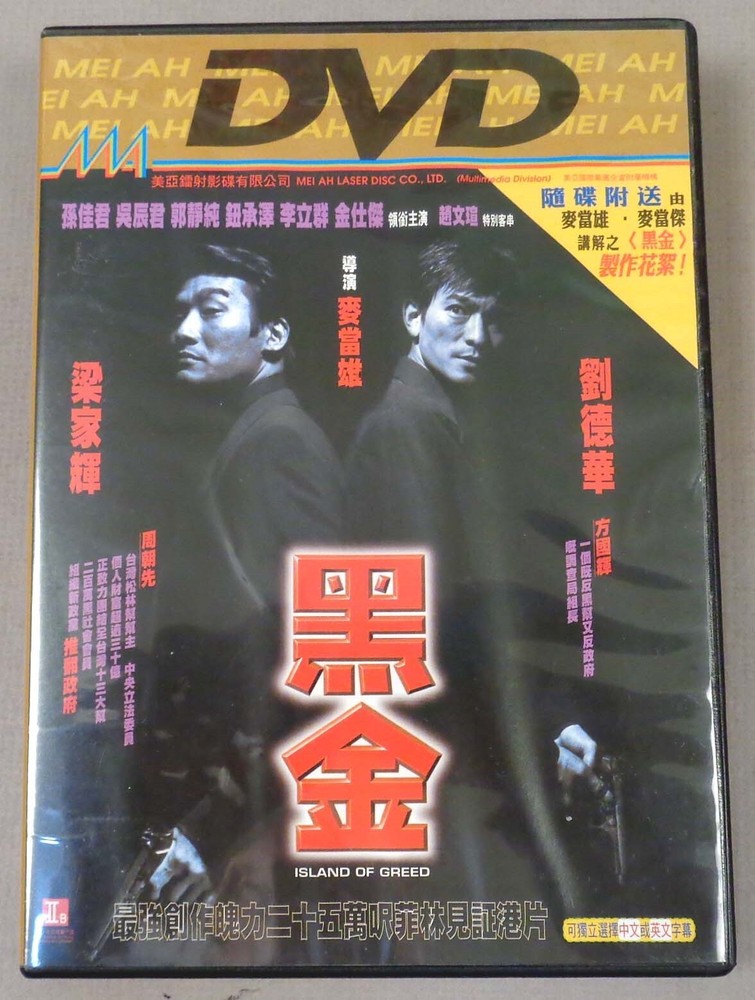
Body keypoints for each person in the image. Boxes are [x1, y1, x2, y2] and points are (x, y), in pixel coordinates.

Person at [346, 238, 603, 923]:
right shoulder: (407, 426)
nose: (478, 336)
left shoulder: (441, 419)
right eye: (458, 310)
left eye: (493, 317)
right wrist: (549, 722)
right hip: (440, 738)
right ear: (411, 317)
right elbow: (438, 616)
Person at [145, 244, 344, 904]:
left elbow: (324, 642)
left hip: (260, 802)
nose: (183, 332)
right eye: (180, 313)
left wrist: (212, 824)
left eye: (210, 310)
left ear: (274, 334)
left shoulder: (275, 440)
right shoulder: (255, 434)